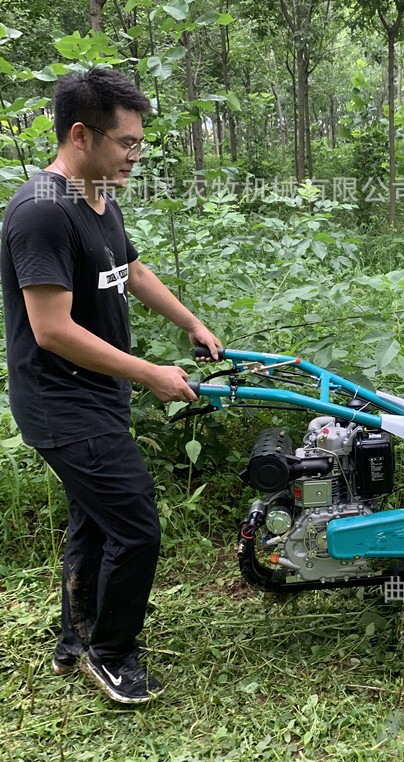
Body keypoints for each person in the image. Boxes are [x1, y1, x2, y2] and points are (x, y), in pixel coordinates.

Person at [0, 67, 221, 704]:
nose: (134, 156)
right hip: (61, 402)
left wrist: (190, 323)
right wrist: (150, 374)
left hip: (94, 395)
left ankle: (79, 636)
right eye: (126, 143)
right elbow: (51, 330)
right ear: (81, 135)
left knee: (94, 521)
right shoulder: (42, 211)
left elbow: (127, 266)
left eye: (138, 143)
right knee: (137, 526)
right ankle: (112, 655)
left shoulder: (95, 196)